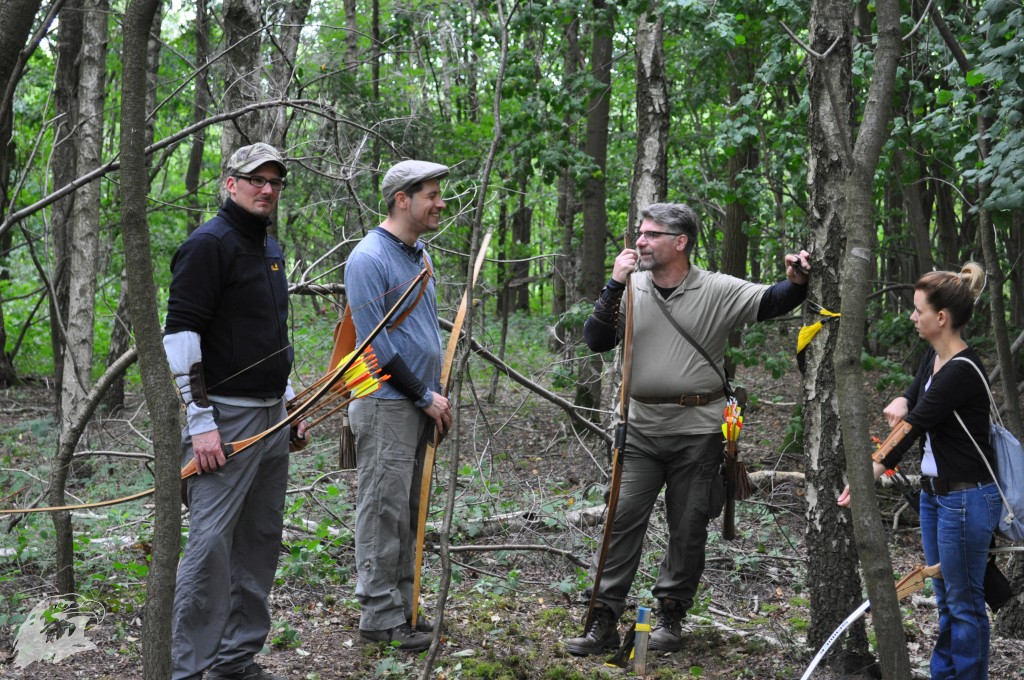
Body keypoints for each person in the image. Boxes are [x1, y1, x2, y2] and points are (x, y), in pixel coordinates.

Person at [565, 203, 810, 656]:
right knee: (620, 523)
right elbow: (597, 341)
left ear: (680, 242)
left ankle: (670, 617)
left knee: (688, 526)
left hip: (698, 432)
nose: (640, 241)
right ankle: (602, 621)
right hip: (638, 430)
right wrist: (615, 283)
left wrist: (797, 280)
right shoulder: (630, 286)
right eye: (640, 233)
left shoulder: (715, 288)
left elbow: (774, 300)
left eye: (651, 234)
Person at [164, 142, 302, 680]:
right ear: (230, 183)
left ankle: (234, 659)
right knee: (210, 547)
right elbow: (181, 337)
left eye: (274, 182)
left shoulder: (268, 246)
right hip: (224, 420)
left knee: (260, 539)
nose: (266, 189)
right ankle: (190, 670)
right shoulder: (208, 245)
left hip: (271, 418)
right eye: (255, 179)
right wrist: (201, 423)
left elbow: (272, 332)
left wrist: (289, 399)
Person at [838, 263, 999, 680]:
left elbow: (914, 426)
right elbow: (914, 397)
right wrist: (901, 397)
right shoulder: (935, 357)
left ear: (941, 318)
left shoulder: (962, 370)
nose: (912, 317)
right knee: (946, 598)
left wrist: (867, 474)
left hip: (965, 498)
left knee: (964, 603)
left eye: (917, 310)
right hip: (935, 496)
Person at [344, 160, 454, 652]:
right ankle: (377, 614)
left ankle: (404, 608)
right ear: (402, 200)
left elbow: (420, 333)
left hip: (417, 404)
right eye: (431, 194)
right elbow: (374, 346)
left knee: (411, 510)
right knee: (382, 510)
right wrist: (423, 395)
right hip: (387, 404)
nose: (440, 203)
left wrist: (433, 395)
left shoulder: (419, 255)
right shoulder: (369, 258)